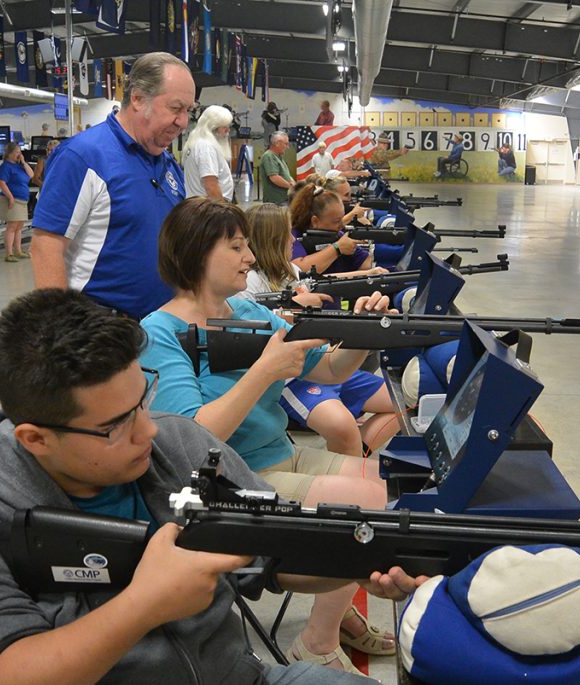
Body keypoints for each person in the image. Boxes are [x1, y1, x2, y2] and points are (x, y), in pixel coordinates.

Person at [0, 287, 424, 684]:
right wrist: (143, 605)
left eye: (144, 399)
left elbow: (273, 557)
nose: (150, 430)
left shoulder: (176, 444)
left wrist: (357, 561)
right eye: (116, 424)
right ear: (35, 438)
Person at [140, 197, 400, 674]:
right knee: (367, 511)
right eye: (236, 247)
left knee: (389, 494)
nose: (251, 257)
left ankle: (336, 616)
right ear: (197, 253)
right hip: (230, 482)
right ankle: (317, 642)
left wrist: (364, 333)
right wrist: (262, 371)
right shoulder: (158, 332)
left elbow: (327, 367)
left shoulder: (242, 308)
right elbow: (193, 440)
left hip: (282, 454)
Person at [30, 52, 193, 320]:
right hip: (102, 332)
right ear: (139, 99)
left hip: (162, 325)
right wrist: (60, 330)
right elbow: (46, 246)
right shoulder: (82, 157)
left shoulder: (167, 164)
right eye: (176, 108)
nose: (183, 121)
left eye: (188, 110)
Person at [243, 203, 399, 457]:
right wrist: (291, 307)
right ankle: (348, 465)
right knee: (342, 427)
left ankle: (355, 451)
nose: (293, 238)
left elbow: (320, 284)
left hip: (319, 360)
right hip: (290, 376)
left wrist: (367, 274)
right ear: (271, 239)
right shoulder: (249, 282)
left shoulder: (287, 269)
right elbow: (251, 336)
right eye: (286, 233)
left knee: (402, 404)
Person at [290, 185, 383, 278]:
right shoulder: (292, 236)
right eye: (336, 221)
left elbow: (365, 263)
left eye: (342, 219)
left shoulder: (338, 235)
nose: (342, 225)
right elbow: (298, 269)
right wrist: (337, 249)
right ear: (315, 221)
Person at [183, 105, 235, 201]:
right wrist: (223, 209)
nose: (228, 130)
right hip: (210, 207)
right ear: (213, 127)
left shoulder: (196, 142)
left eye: (228, 126)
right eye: (224, 127)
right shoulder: (206, 147)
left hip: (201, 205)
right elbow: (210, 185)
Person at [0, 142, 33, 263]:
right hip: (13, 200)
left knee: (19, 227)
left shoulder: (19, 166)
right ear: (10, 153)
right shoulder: (5, 167)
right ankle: (9, 253)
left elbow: (31, 175)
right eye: (17, 152)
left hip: (22, 199)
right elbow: (2, 183)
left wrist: (23, 162)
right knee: (12, 226)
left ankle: (18, 250)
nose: (19, 154)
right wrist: (10, 197)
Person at [260, 131, 294, 205]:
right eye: (286, 144)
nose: (287, 147)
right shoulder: (269, 156)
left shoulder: (279, 157)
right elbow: (274, 177)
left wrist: (294, 184)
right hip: (276, 201)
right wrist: (291, 186)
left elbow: (286, 174)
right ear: (277, 143)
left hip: (284, 198)